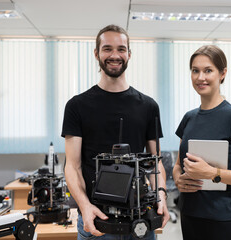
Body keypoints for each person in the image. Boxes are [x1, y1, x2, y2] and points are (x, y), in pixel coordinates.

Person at [62, 24, 169, 240]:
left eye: (121, 49)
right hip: (97, 221)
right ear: (96, 53)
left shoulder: (148, 106)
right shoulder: (77, 106)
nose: (115, 55)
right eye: (107, 48)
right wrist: (84, 207)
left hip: (140, 221)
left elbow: (154, 162)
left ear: (129, 54)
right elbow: (72, 166)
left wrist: (161, 195)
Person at [173, 45, 231, 240]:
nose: (200, 77)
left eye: (208, 70)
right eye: (195, 70)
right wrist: (178, 179)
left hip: (221, 220)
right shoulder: (189, 118)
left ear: (222, 74)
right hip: (189, 216)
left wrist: (213, 173)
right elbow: (177, 166)